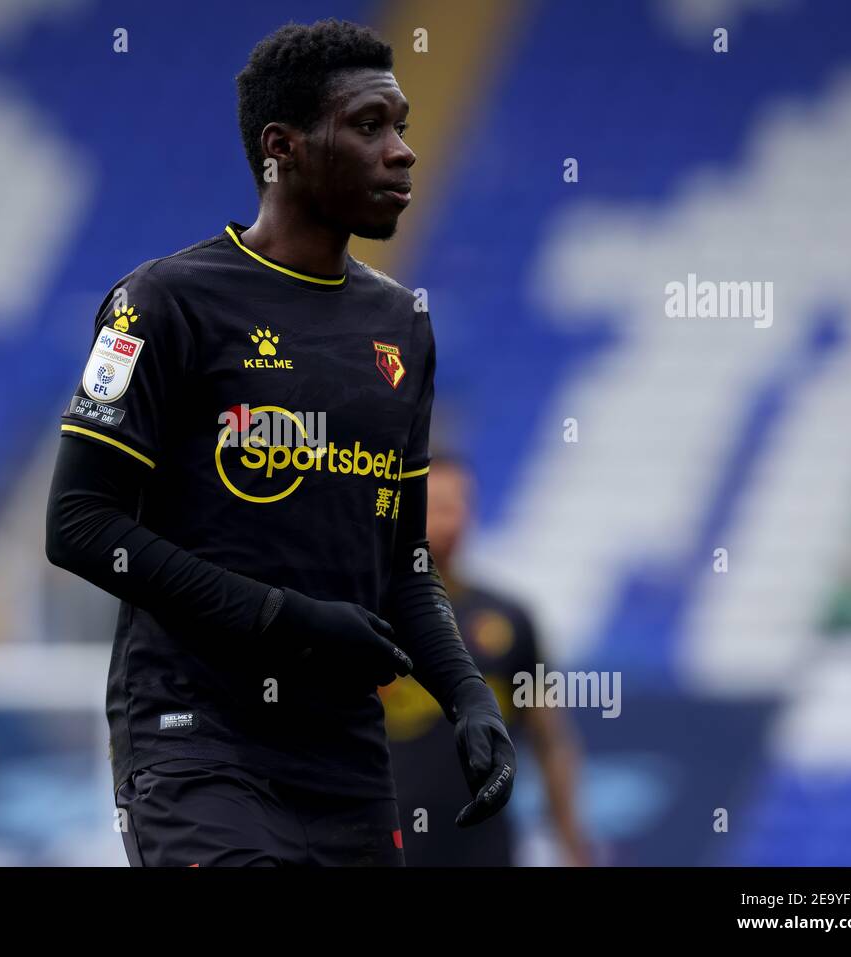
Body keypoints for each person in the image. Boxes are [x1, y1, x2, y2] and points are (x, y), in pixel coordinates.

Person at [45, 18, 513, 866]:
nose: (402, 150)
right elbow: (80, 525)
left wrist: (467, 697)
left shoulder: (401, 325)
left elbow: (403, 562)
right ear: (283, 148)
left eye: (403, 124)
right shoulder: (161, 304)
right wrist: (285, 620)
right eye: (370, 126)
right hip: (197, 740)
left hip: (345, 758)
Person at [382, 453, 592, 866]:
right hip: (389, 843)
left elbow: (549, 740)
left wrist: (572, 845)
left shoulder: (510, 619)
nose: (451, 520)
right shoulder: (368, 613)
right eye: (437, 507)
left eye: (460, 505)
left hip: (484, 846)